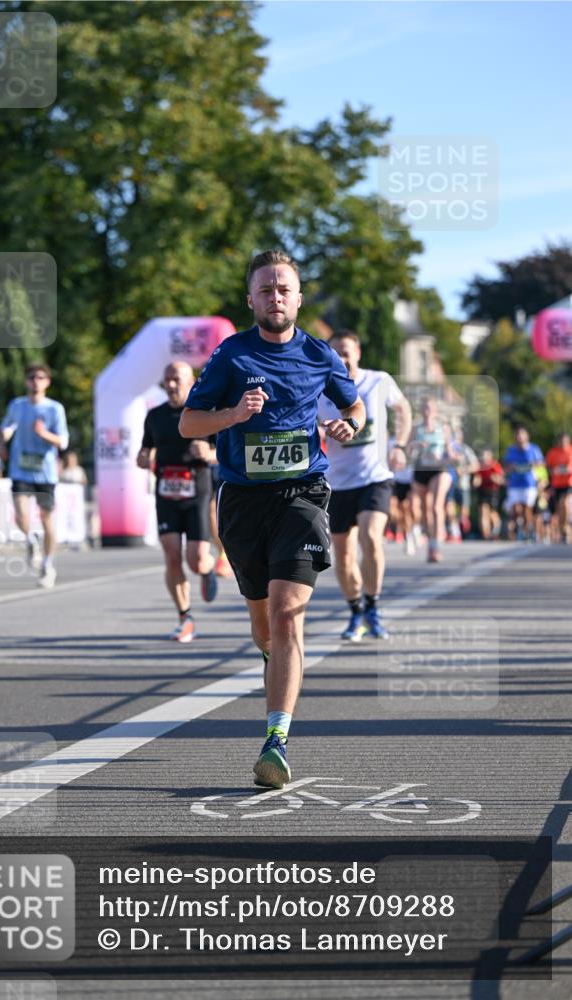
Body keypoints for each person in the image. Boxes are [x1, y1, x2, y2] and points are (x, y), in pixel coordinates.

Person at [179, 249, 365, 789]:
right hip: (242, 500)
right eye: (266, 290)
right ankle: (273, 656)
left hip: (303, 494)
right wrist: (233, 415)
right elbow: (189, 423)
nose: (275, 297)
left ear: (298, 298)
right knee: (263, 621)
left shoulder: (319, 354)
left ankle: (275, 740)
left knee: (287, 615)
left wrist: (349, 425)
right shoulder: (231, 355)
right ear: (251, 300)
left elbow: (353, 406)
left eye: (284, 289)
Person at [318, 331, 412, 642]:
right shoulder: (321, 389)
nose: (342, 359)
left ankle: (372, 606)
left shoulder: (378, 380)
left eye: (346, 352)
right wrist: (320, 431)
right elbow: (308, 424)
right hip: (337, 483)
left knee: (371, 537)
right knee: (343, 555)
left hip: (376, 476)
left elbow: (403, 409)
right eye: (336, 353)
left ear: (358, 352)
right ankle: (355, 610)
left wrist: (400, 445)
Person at [137, 361, 219, 642]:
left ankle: (207, 568)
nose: (171, 385)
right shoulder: (155, 416)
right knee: (172, 556)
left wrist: (209, 453)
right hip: (166, 494)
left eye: (177, 379)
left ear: (191, 382)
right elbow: (145, 449)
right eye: (167, 379)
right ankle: (185, 618)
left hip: (197, 493)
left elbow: (226, 452)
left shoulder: (205, 414)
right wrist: (143, 457)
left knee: (195, 561)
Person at [0, 362, 69, 588]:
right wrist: (2, 442)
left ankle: (47, 565)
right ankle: (31, 540)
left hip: (45, 473)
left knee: (46, 518)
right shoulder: (17, 405)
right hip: (20, 469)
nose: (35, 382)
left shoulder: (54, 409)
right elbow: (7, 427)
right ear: (26, 381)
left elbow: (63, 442)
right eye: (31, 378)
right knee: (21, 516)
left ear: (47, 382)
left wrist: (44, 433)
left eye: (40, 378)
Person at [409, 397, 452, 563]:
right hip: (421, 470)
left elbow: (449, 451)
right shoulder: (416, 429)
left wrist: (450, 457)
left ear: (435, 411)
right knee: (425, 510)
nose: (427, 411)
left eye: (430, 408)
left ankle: (436, 546)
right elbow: (407, 449)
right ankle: (431, 546)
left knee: (436, 506)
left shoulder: (443, 428)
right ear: (421, 410)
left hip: (439, 469)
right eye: (424, 408)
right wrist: (416, 446)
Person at [502, 426, 543, 542]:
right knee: (515, 509)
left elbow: (541, 464)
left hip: (529, 484)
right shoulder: (511, 450)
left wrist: (535, 469)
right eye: (518, 435)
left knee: (526, 509)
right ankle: (517, 528)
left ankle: (527, 530)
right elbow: (505, 466)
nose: (520, 437)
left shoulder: (534, 449)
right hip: (514, 484)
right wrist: (511, 468)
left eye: (522, 435)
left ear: (527, 436)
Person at [545, 432, 572, 544]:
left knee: (565, 503)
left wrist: (562, 470)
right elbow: (547, 466)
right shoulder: (553, 452)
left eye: (565, 441)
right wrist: (552, 472)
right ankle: (562, 529)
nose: (563, 444)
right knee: (559, 508)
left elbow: (569, 468)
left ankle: (566, 526)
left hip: (569, 483)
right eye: (561, 441)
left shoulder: (570, 451)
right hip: (557, 485)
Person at [473, 448, 504, 540]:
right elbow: (477, 477)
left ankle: (496, 529)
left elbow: (501, 479)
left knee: (492, 512)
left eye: (485, 456)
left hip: (493, 491)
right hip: (482, 490)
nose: (484, 458)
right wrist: (476, 482)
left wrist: (494, 478)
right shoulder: (480, 466)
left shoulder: (494, 465)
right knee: (483, 511)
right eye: (482, 456)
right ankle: (486, 534)